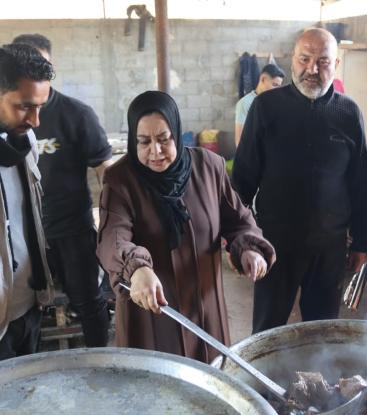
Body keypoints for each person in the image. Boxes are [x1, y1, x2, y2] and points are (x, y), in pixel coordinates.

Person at [96, 91, 275, 363]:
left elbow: (238, 219)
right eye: (143, 142)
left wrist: (248, 249)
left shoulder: (209, 167)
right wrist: (137, 268)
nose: (155, 151)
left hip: (204, 306)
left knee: (210, 381)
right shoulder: (121, 180)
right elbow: (113, 236)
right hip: (152, 311)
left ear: (177, 133)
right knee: (158, 389)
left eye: (163, 139)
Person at [232, 27, 367, 333]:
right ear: (292, 60)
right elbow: (242, 178)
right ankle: (262, 382)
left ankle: (315, 382)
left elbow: (361, 183)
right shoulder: (266, 108)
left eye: (323, 61)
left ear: (336, 66)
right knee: (267, 329)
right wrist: (238, 238)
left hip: (329, 246)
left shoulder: (348, 113)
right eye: (304, 59)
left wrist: (361, 241)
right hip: (273, 243)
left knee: (320, 331)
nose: (312, 69)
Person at [12, 34, 113, 347]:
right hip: (23, 236)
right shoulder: (7, 118)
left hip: (71, 230)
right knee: (23, 310)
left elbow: (105, 170)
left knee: (88, 301)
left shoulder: (76, 114)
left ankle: (100, 360)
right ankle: (32, 372)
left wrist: (113, 226)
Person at [0, 43, 55, 359]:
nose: (35, 121)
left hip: (28, 306)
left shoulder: (24, 141)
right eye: (24, 106)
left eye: (40, 107)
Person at [234, 63, 285, 146]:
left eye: (279, 86)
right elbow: (239, 141)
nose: (277, 90)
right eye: (275, 85)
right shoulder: (244, 103)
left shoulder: (276, 102)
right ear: (263, 79)